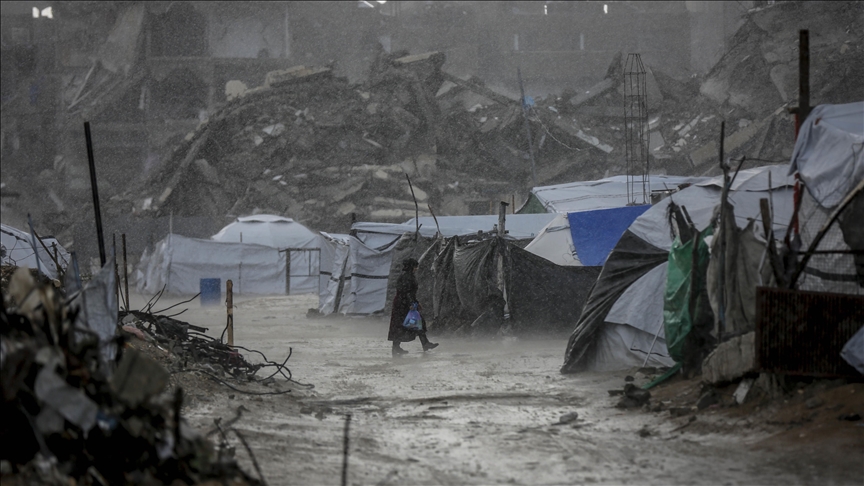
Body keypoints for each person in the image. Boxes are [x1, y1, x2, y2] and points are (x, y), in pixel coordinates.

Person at [388, 257, 438, 357]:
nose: (417, 269)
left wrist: (415, 302)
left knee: (405, 324)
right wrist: (412, 304)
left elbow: (408, 292)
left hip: (402, 303)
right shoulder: (408, 277)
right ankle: (424, 344)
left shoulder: (406, 275)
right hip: (404, 304)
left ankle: (423, 344)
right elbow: (407, 292)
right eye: (415, 267)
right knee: (413, 323)